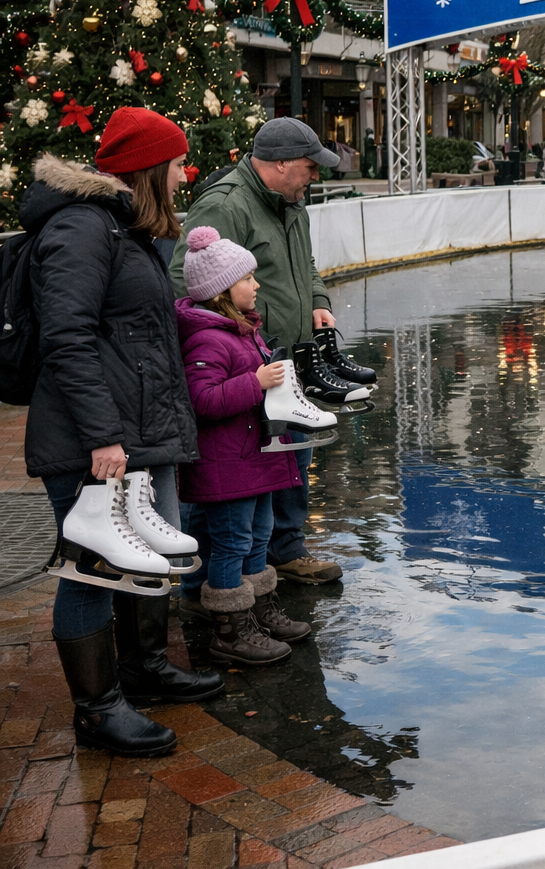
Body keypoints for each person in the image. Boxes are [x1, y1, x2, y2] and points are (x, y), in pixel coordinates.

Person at [24, 108, 221, 756]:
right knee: (92, 571)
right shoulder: (83, 228)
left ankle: (144, 670)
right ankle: (98, 709)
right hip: (92, 441)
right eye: (174, 163)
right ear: (147, 169)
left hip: (133, 435)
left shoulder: (122, 227)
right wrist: (105, 436)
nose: (183, 173)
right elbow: (67, 338)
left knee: (139, 560)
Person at [170, 118, 344, 586]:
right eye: (309, 166)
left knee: (291, 452)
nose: (315, 175)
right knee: (237, 468)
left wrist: (318, 303)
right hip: (245, 362)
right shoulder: (227, 204)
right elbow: (186, 278)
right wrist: (225, 340)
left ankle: (283, 551)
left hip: (283, 358)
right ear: (281, 163)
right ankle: (217, 575)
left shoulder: (292, 204)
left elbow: (304, 263)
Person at [175, 227, 312, 662]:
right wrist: (254, 382)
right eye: (247, 279)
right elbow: (203, 400)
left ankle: (257, 611)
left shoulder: (243, 330)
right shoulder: (207, 338)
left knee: (258, 536)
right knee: (232, 542)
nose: (256, 285)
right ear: (220, 291)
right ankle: (229, 628)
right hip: (228, 465)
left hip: (252, 460)